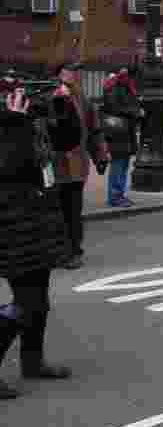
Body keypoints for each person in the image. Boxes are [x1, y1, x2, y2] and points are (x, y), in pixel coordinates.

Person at [0, 76, 81, 399]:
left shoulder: (30, 121)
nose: (21, 98)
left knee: (39, 300)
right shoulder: (11, 125)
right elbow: (11, 166)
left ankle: (33, 362)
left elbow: (68, 140)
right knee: (27, 303)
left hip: (38, 220)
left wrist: (62, 104)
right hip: (10, 224)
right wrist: (15, 121)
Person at [52, 62, 109, 270]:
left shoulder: (81, 98)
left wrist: (100, 155)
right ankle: (58, 250)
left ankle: (73, 251)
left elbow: (94, 129)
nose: (72, 75)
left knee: (73, 210)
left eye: (74, 71)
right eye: (67, 71)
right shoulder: (48, 95)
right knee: (54, 210)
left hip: (76, 165)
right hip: (52, 165)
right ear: (58, 74)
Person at [102, 65, 142, 208]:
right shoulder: (116, 87)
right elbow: (114, 107)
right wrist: (134, 112)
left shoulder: (124, 87)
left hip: (124, 131)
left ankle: (119, 194)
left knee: (122, 164)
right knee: (118, 164)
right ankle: (114, 196)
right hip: (118, 132)